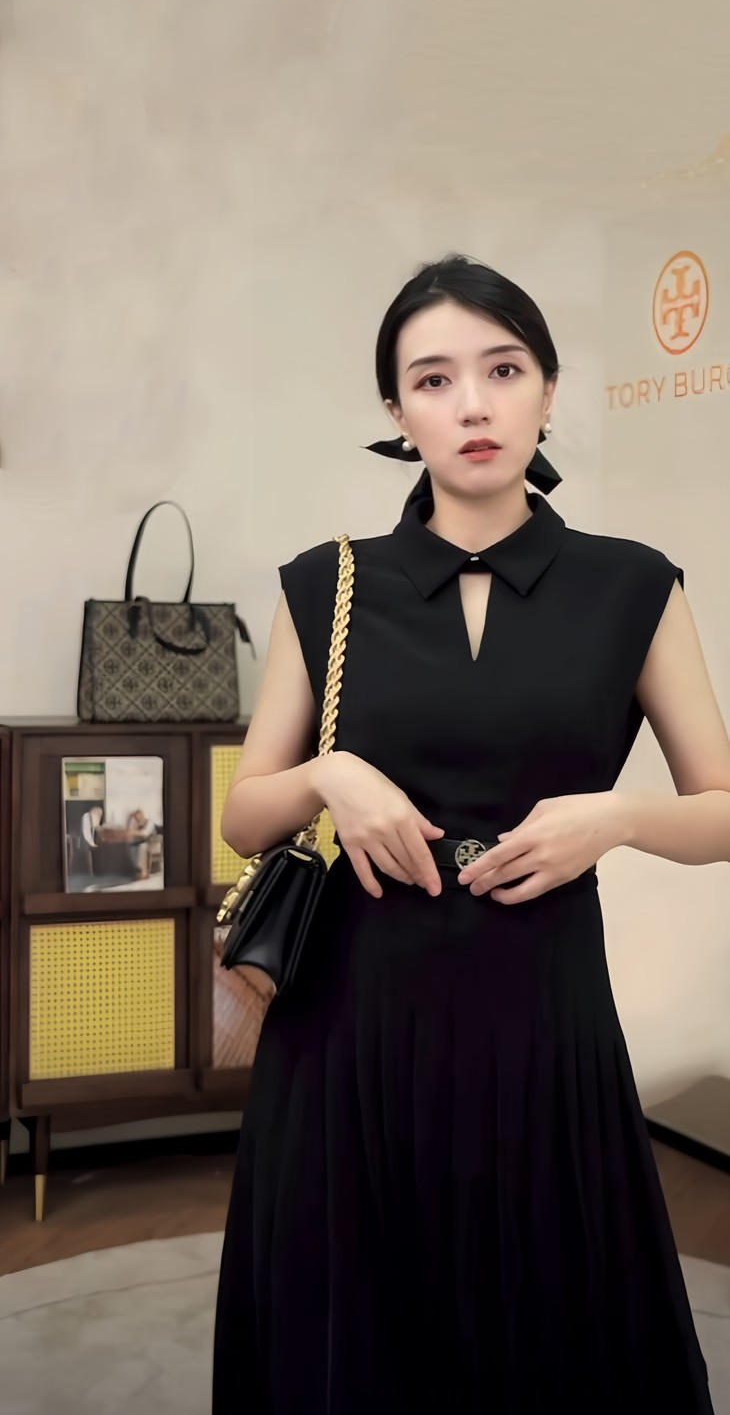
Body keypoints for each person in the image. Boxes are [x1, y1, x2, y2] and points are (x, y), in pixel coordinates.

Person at [213, 255, 728, 1415]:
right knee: (355, 1335)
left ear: (548, 388)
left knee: (551, 1324)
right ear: (397, 414)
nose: (473, 404)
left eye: (502, 370)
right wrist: (330, 774)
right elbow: (244, 814)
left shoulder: (632, 587)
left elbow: (722, 809)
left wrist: (618, 816)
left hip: (542, 1015)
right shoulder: (326, 584)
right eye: (433, 379)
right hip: (350, 1022)